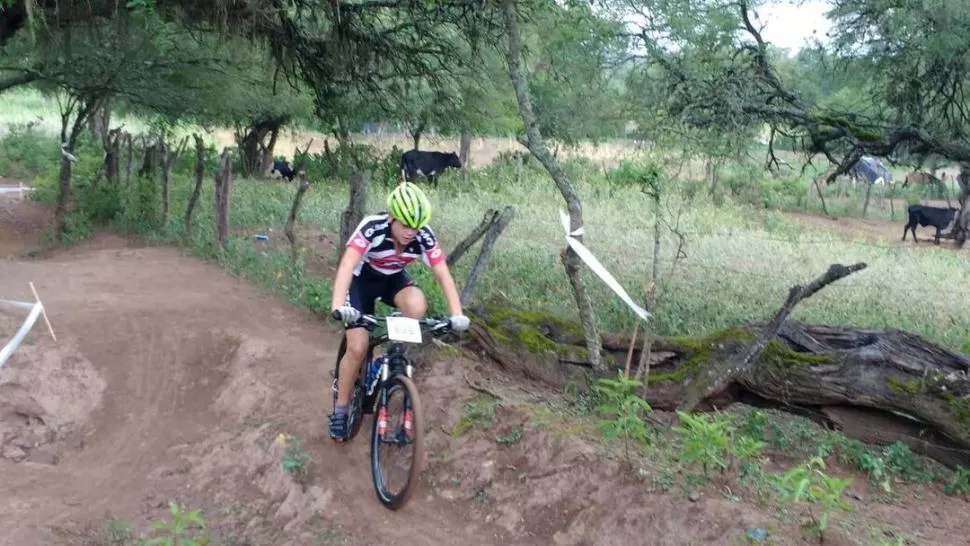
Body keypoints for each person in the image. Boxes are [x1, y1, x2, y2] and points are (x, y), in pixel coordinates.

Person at [328, 181, 470, 441]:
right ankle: (341, 409)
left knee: (417, 305)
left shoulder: (423, 236)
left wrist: (457, 314)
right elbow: (347, 265)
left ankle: (387, 358)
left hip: (392, 279)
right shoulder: (372, 228)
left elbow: (443, 275)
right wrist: (338, 306)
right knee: (358, 347)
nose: (410, 232)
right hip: (361, 282)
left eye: (415, 227)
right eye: (405, 225)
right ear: (392, 217)